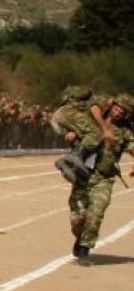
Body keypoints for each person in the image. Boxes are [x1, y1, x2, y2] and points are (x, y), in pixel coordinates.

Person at [55, 93, 134, 264]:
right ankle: (80, 238)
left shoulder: (125, 132)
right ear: (112, 105)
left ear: (126, 115)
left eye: (123, 111)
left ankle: (85, 249)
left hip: (104, 178)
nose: (118, 112)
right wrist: (70, 136)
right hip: (82, 175)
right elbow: (70, 129)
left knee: (96, 213)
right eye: (117, 107)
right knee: (77, 219)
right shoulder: (92, 121)